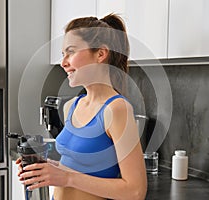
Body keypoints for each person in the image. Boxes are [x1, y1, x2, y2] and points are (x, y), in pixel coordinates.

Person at [16, 13, 147, 200]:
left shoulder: (117, 109)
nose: (63, 62)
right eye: (63, 54)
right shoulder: (73, 106)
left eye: (71, 52)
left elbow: (135, 191)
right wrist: (49, 169)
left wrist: (67, 178)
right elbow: (80, 169)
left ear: (101, 53)